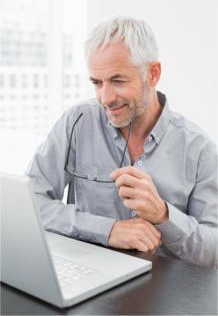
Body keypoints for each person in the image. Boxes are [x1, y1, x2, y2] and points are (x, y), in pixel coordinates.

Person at [26, 16, 218, 268]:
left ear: (153, 74)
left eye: (118, 81)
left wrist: (163, 214)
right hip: (87, 279)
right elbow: (31, 204)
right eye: (97, 82)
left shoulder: (200, 149)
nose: (105, 98)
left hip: (164, 293)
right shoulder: (77, 121)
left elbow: (213, 251)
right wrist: (108, 230)